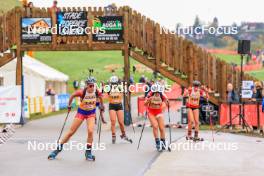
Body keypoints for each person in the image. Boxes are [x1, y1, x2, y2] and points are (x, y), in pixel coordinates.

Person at [48, 77, 104, 161]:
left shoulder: (96, 91)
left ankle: (88, 152)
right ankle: (57, 150)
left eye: (93, 85)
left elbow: (101, 97)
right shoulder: (82, 92)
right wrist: (69, 105)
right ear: (87, 86)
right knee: (71, 132)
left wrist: (101, 105)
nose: (92, 87)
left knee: (90, 131)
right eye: (90, 86)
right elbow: (72, 96)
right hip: (81, 112)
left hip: (91, 113)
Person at [144, 82, 169, 151]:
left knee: (161, 128)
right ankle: (157, 142)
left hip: (159, 112)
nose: (157, 93)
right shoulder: (150, 94)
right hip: (151, 112)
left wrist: (164, 104)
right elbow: (145, 104)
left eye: (158, 92)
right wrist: (148, 100)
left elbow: (166, 101)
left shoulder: (162, 94)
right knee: (155, 126)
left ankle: (163, 142)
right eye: (156, 92)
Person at [108, 76, 132, 144]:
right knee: (113, 121)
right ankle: (113, 135)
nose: (114, 85)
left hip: (119, 105)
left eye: (115, 83)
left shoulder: (120, 88)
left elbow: (127, 91)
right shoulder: (109, 88)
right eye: (112, 83)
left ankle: (123, 135)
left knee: (121, 122)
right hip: (112, 105)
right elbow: (101, 92)